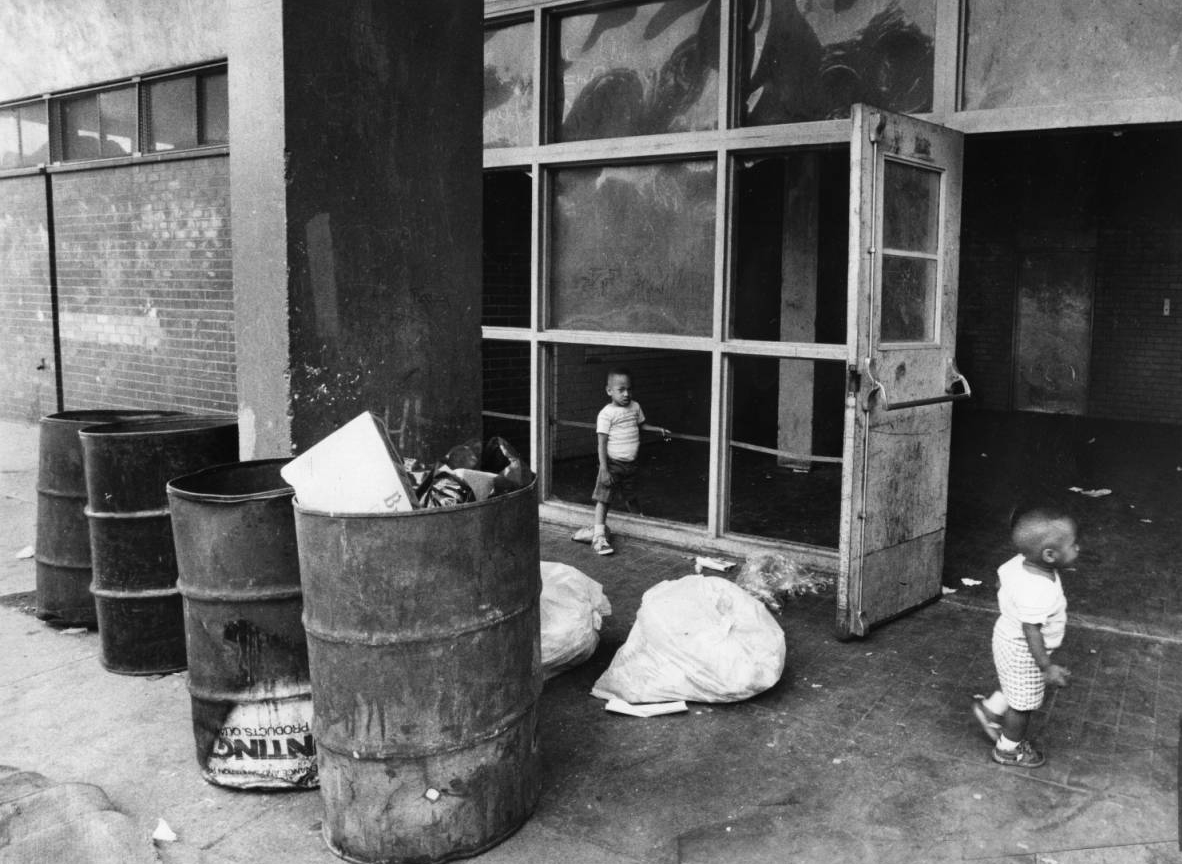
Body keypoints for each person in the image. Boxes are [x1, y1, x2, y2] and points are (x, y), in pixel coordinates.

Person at [972, 507, 1077, 768]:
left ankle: (990, 709)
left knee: (1016, 685)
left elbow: (1000, 582)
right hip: (1025, 650)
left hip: (1006, 635)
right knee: (1023, 705)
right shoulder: (1039, 589)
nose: (1078, 549)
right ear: (1049, 555)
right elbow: (1032, 631)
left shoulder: (1018, 563)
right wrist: (1046, 667)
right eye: (1073, 545)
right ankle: (1009, 749)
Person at [584, 367, 669, 556]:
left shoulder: (635, 407)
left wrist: (657, 430)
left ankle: (640, 524)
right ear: (609, 391)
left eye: (629, 389)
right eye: (621, 390)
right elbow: (601, 443)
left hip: (630, 464)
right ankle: (599, 536)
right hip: (613, 464)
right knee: (604, 498)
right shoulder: (606, 414)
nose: (626, 394)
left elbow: (641, 425)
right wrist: (603, 469)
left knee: (631, 495)